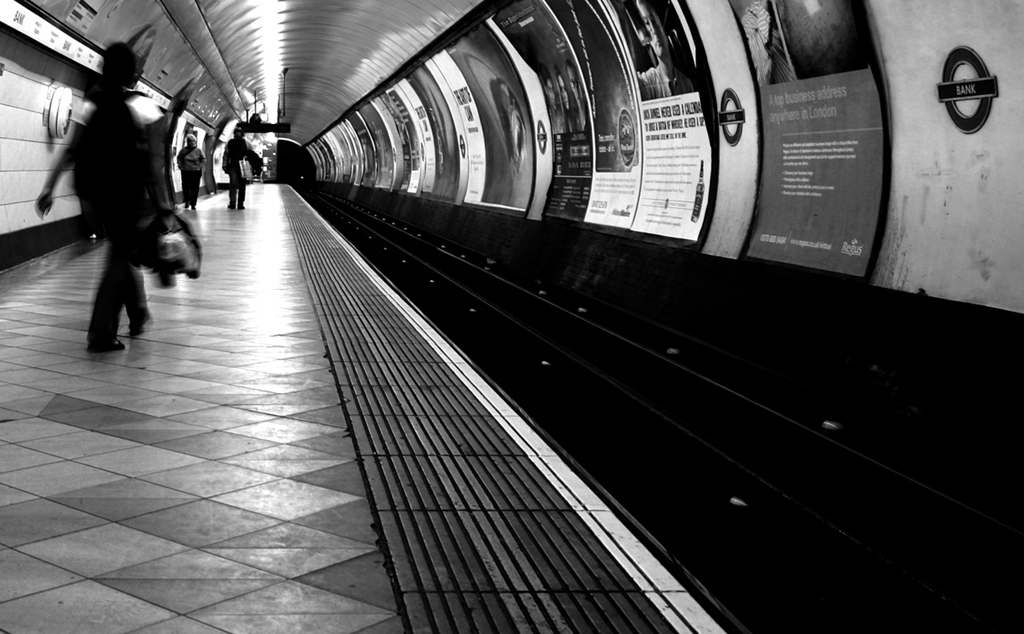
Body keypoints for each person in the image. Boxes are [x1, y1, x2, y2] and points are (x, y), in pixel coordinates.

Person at [36, 42, 158, 353]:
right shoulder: (140, 105)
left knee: (122, 250)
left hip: (97, 195)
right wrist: (164, 203)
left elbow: (72, 148)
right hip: (129, 196)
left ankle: (139, 314)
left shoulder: (91, 103)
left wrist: (49, 187)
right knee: (120, 257)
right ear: (131, 72)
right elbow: (152, 161)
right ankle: (101, 333)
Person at [223, 127, 251, 209]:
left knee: (242, 186)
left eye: (239, 136)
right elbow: (226, 155)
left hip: (244, 167)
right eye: (236, 136)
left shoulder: (247, 143)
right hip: (233, 167)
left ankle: (240, 203)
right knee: (233, 184)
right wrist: (225, 165)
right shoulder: (230, 143)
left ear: (242, 135)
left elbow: (252, 154)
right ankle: (232, 202)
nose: (237, 138)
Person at [177, 133, 205, 210]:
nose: (192, 143)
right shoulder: (183, 150)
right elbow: (179, 158)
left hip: (196, 171)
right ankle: (187, 200)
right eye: (190, 141)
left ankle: (193, 203)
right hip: (185, 171)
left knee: (194, 188)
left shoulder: (199, 150)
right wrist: (180, 165)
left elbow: (203, 160)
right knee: (185, 187)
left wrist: (199, 167)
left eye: (193, 141)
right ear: (188, 142)